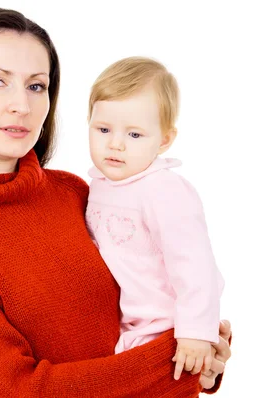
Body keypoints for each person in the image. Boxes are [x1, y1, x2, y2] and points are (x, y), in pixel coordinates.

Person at [0, 7, 232, 397]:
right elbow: (13, 393)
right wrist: (179, 364)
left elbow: (152, 290)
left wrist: (202, 348)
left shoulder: (75, 193)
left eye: (36, 86)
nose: (21, 106)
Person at [85, 56, 225, 381]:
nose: (115, 144)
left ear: (164, 140)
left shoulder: (163, 189)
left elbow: (195, 264)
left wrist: (196, 330)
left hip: (168, 325)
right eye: (103, 129)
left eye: (135, 135)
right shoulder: (99, 184)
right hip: (127, 328)